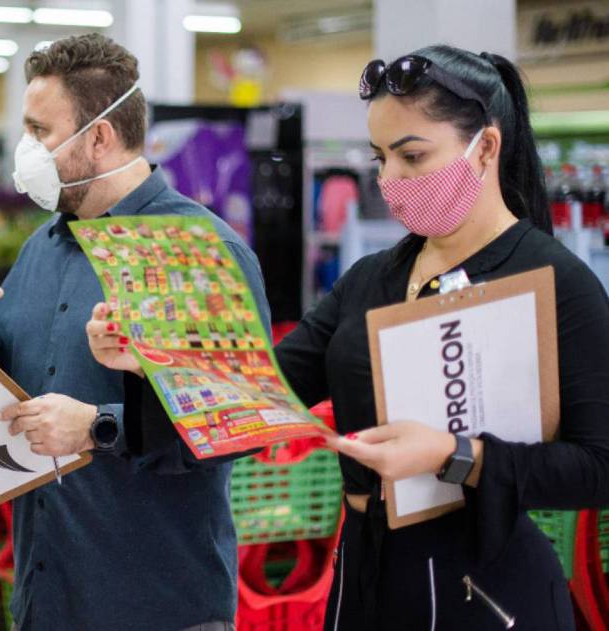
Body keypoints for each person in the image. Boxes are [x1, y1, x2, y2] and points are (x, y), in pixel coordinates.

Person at [88, 45, 609, 630]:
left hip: (484, 591)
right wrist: (154, 363)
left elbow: (599, 465)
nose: (390, 180)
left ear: (484, 147)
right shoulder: (370, 280)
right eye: (381, 157)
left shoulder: (556, 283)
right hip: (365, 573)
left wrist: (455, 455)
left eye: (412, 156)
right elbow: (264, 394)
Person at [0, 34, 270, 631]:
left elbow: (238, 424)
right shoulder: (41, 249)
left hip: (158, 607)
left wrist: (98, 427)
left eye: (39, 132)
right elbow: (19, 395)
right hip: (47, 597)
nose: (25, 150)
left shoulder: (197, 253)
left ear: (99, 136)